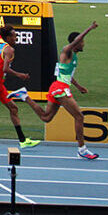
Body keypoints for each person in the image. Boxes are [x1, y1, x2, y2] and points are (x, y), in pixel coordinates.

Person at [36, 22, 100, 160]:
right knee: (79, 117)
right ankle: (82, 149)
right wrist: (89, 28)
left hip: (57, 87)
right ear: (76, 43)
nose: (83, 44)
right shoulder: (66, 51)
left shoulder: (74, 57)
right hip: (60, 88)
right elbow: (75, 41)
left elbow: (66, 75)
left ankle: (24, 97)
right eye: (82, 41)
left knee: (46, 118)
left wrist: (78, 86)